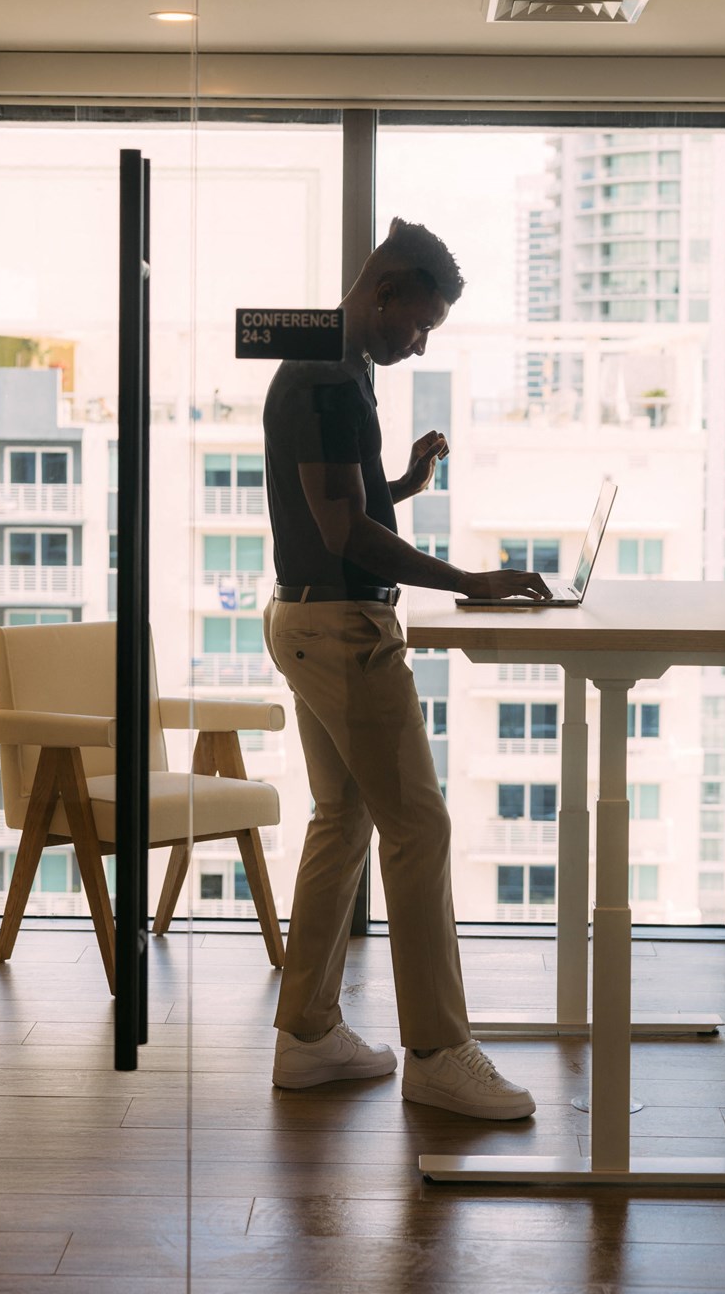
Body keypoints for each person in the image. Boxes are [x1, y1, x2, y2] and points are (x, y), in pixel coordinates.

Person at [262, 217, 552, 1119]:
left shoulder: (338, 362)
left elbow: (338, 503)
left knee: (344, 820)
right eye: (416, 325)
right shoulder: (325, 375)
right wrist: (470, 582)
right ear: (382, 290)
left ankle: (307, 1036)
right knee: (418, 827)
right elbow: (344, 531)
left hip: (311, 618)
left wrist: (407, 486)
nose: (417, 343)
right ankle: (437, 1051)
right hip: (341, 629)